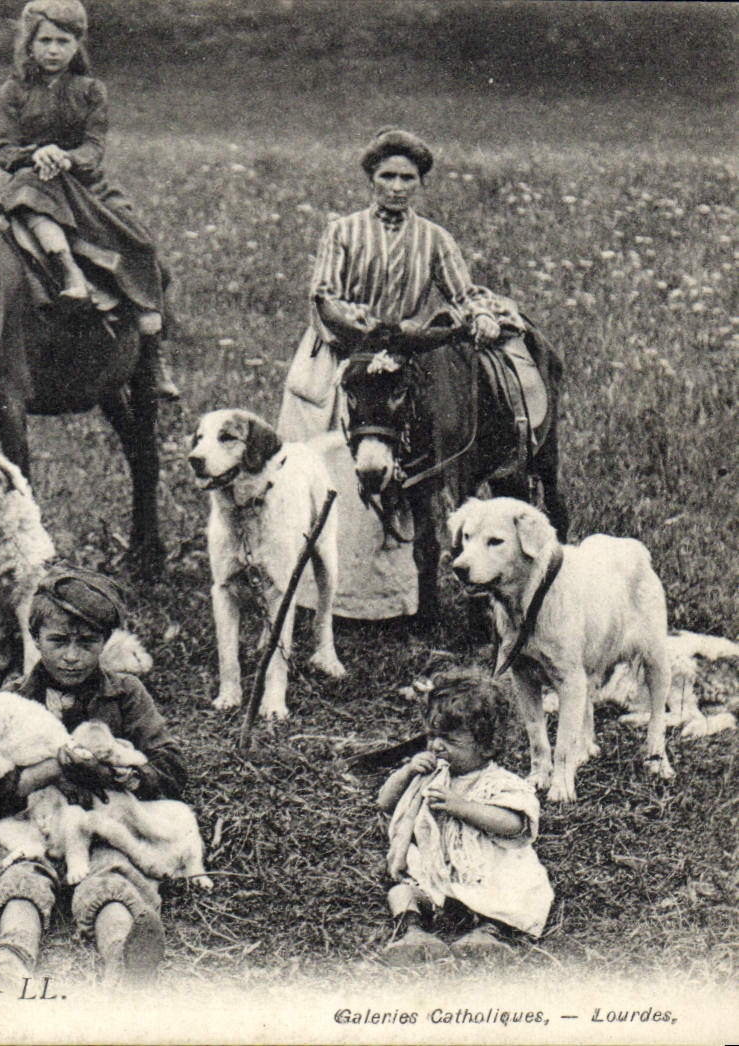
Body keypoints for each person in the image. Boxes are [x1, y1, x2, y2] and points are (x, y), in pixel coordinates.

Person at [275, 127, 543, 620]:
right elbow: (324, 294)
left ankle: (394, 599)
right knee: (324, 461)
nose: (396, 187)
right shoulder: (342, 231)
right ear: (370, 179)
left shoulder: (434, 239)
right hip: (343, 354)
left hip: (404, 359)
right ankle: (321, 596)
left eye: (408, 178)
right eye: (387, 176)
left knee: (409, 461)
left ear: (420, 183)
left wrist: (479, 315)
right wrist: (359, 327)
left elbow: (463, 292)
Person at [0, 564, 188, 989]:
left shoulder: (125, 694)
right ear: (34, 640)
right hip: (29, 821)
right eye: (57, 641)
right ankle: (10, 959)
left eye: (87, 642)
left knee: (111, 869)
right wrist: (50, 769)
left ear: (105, 642)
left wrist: (119, 774)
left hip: (99, 824)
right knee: (20, 873)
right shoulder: (11, 699)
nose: (71, 656)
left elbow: (170, 766)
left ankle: (123, 960)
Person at [0, 0, 178, 399]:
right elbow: (5, 151)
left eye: (63, 41)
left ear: (77, 45)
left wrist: (66, 157)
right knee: (27, 195)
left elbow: (94, 150)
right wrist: (35, 153)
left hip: (85, 188)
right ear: (29, 44)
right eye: (44, 41)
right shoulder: (14, 91)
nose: (53, 50)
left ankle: (152, 357)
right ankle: (69, 275)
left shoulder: (92, 91)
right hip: (34, 182)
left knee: (142, 247)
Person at [375, 669, 553, 964]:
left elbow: (515, 825)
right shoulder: (431, 775)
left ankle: (488, 934)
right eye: (433, 736)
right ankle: (414, 932)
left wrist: (462, 807)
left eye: (449, 740)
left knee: (515, 893)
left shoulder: (501, 782)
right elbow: (385, 802)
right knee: (402, 891)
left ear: (487, 746)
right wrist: (407, 772)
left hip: (486, 871)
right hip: (438, 871)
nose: (436, 746)